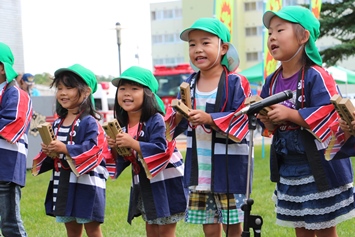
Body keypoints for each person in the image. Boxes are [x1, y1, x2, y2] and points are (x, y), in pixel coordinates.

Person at [257, 6, 355, 237]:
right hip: (288, 166)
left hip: (318, 165)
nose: (272, 36)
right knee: (300, 228)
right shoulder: (271, 81)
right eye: (269, 32)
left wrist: (290, 114)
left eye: (280, 30)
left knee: (323, 227)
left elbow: (330, 113)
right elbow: (269, 125)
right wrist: (267, 120)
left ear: (303, 37)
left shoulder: (316, 75)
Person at [164, 18, 252, 237]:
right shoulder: (188, 84)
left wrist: (209, 118)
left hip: (229, 166)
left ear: (223, 48)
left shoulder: (236, 82)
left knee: (232, 223)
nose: (198, 50)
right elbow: (178, 121)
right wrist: (175, 119)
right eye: (192, 44)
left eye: (205, 43)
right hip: (200, 166)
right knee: (208, 223)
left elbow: (243, 117)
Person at [32, 64, 112, 237]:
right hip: (64, 181)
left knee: (92, 228)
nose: (62, 93)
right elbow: (55, 153)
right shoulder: (57, 122)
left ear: (86, 92)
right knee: (71, 228)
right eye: (59, 88)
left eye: (69, 88)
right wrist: (49, 150)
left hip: (87, 183)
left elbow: (93, 149)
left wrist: (65, 148)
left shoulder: (90, 122)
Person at [107, 66, 188, 237]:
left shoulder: (156, 120)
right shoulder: (123, 125)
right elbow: (126, 157)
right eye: (122, 89)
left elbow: (161, 148)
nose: (127, 93)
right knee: (151, 228)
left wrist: (133, 143)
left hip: (166, 181)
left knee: (165, 230)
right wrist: (116, 146)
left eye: (134, 89)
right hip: (145, 182)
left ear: (148, 94)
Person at [0, 42, 32, 237]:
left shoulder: (18, 94)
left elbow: (13, 125)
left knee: (11, 224)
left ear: (2, 68)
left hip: (6, 166)